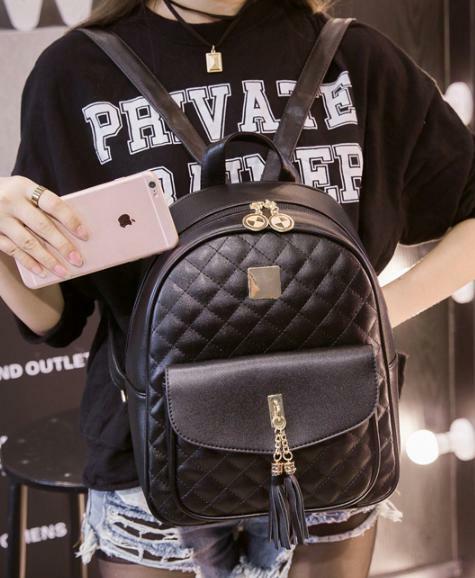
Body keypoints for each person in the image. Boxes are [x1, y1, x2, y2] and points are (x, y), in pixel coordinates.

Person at [1, 0, 475, 576]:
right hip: (151, 455)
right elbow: (57, 317)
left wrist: (376, 311)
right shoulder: (76, 71)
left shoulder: (355, 57)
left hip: (333, 441)